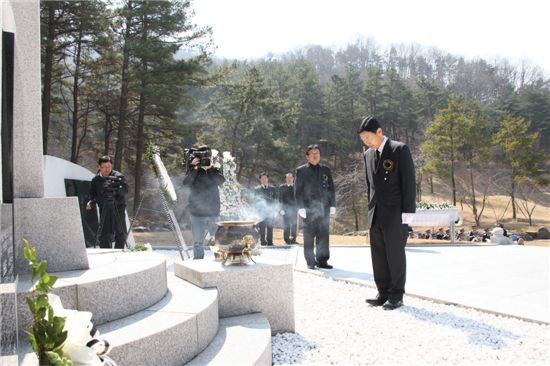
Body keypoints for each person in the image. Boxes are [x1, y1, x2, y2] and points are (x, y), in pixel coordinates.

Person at [358, 116, 416, 310]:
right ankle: (382, 292)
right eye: (363, 138)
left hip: (395, 213)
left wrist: (408, 213)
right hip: (375, 213)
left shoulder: (399, 150)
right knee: (378, 254)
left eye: (368, 136)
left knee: (395, 254)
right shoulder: (367, 155)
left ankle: (396, 294)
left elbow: (408, 184)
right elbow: (370, 187)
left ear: (379, 132)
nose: (366, 141)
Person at [294, 144, 336, 269]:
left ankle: (322, 260)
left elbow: (331, 188)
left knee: (323, 235)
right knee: (309, 236)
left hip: (324, 208)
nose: (315, 155)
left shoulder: (326, 170)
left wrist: (333, 204)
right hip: (308, 209)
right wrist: (300, 207)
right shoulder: (301, 171)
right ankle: (310, 261)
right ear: (307, 156)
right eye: (312, 153)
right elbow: (298, 190)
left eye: (317, 153)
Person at [183, 145, 225, 259]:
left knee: (217, 240)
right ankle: (198, 262)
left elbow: (221, 181)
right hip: (197, 211)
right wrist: (194, 168)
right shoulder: (193, 168)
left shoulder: (215, 167)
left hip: (213, 211)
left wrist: (210, 169)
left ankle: (220, 259)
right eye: (204, 156)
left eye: (208, 156)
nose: (206, 159)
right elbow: (186, 183)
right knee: (197, 242)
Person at [86, 155, 128, 249]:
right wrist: (91, 202)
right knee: (104, 232)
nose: (107, 169)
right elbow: (92, 194)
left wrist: (116, 189)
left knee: (120, 231)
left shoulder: (118, 176)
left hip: (118, 207)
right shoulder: (96, 180)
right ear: (99, 167)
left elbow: (125, 190)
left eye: (109, 166)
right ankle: (104, 252)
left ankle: (120, 251)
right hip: (104, 207)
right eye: (104, 167)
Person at [254, 173, 277, 246]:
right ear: (260, 180)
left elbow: (276, 200)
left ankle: (270, 242)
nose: (264, 180)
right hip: (261, 212)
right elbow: (255, 200)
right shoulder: (257, 189)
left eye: (265, 178)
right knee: (262, 227)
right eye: (262, 178)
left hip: (270, 211)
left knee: (270, 226)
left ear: (268, 179)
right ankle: (263, 242)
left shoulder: (272, 188)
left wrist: (276, 209)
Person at [279, 173, 298, 244]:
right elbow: (280, 199)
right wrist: (280, 209)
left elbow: (299, 198)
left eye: (290, 178)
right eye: (287, 178)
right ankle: (286, 240)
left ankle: (293, 240)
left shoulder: (296, 187)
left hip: (294, 209)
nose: (289, 179)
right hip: (285, 210)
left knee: (294, 225)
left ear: (293, 179)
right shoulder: (282, 187)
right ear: (285, 179)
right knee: (286, 225)